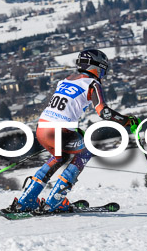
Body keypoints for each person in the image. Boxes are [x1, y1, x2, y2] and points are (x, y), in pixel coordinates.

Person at [8, 49, 139, 213]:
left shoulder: (65, 80)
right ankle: (54, 201)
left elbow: (64, 110)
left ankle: (25, 200)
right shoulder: (92, 83)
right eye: (102, 70)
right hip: (61, 131)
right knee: (86, 151)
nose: (102, 74)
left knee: (58, 157)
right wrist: (127, 120)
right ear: (95, 68)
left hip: (42, 129)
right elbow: (104, 112)